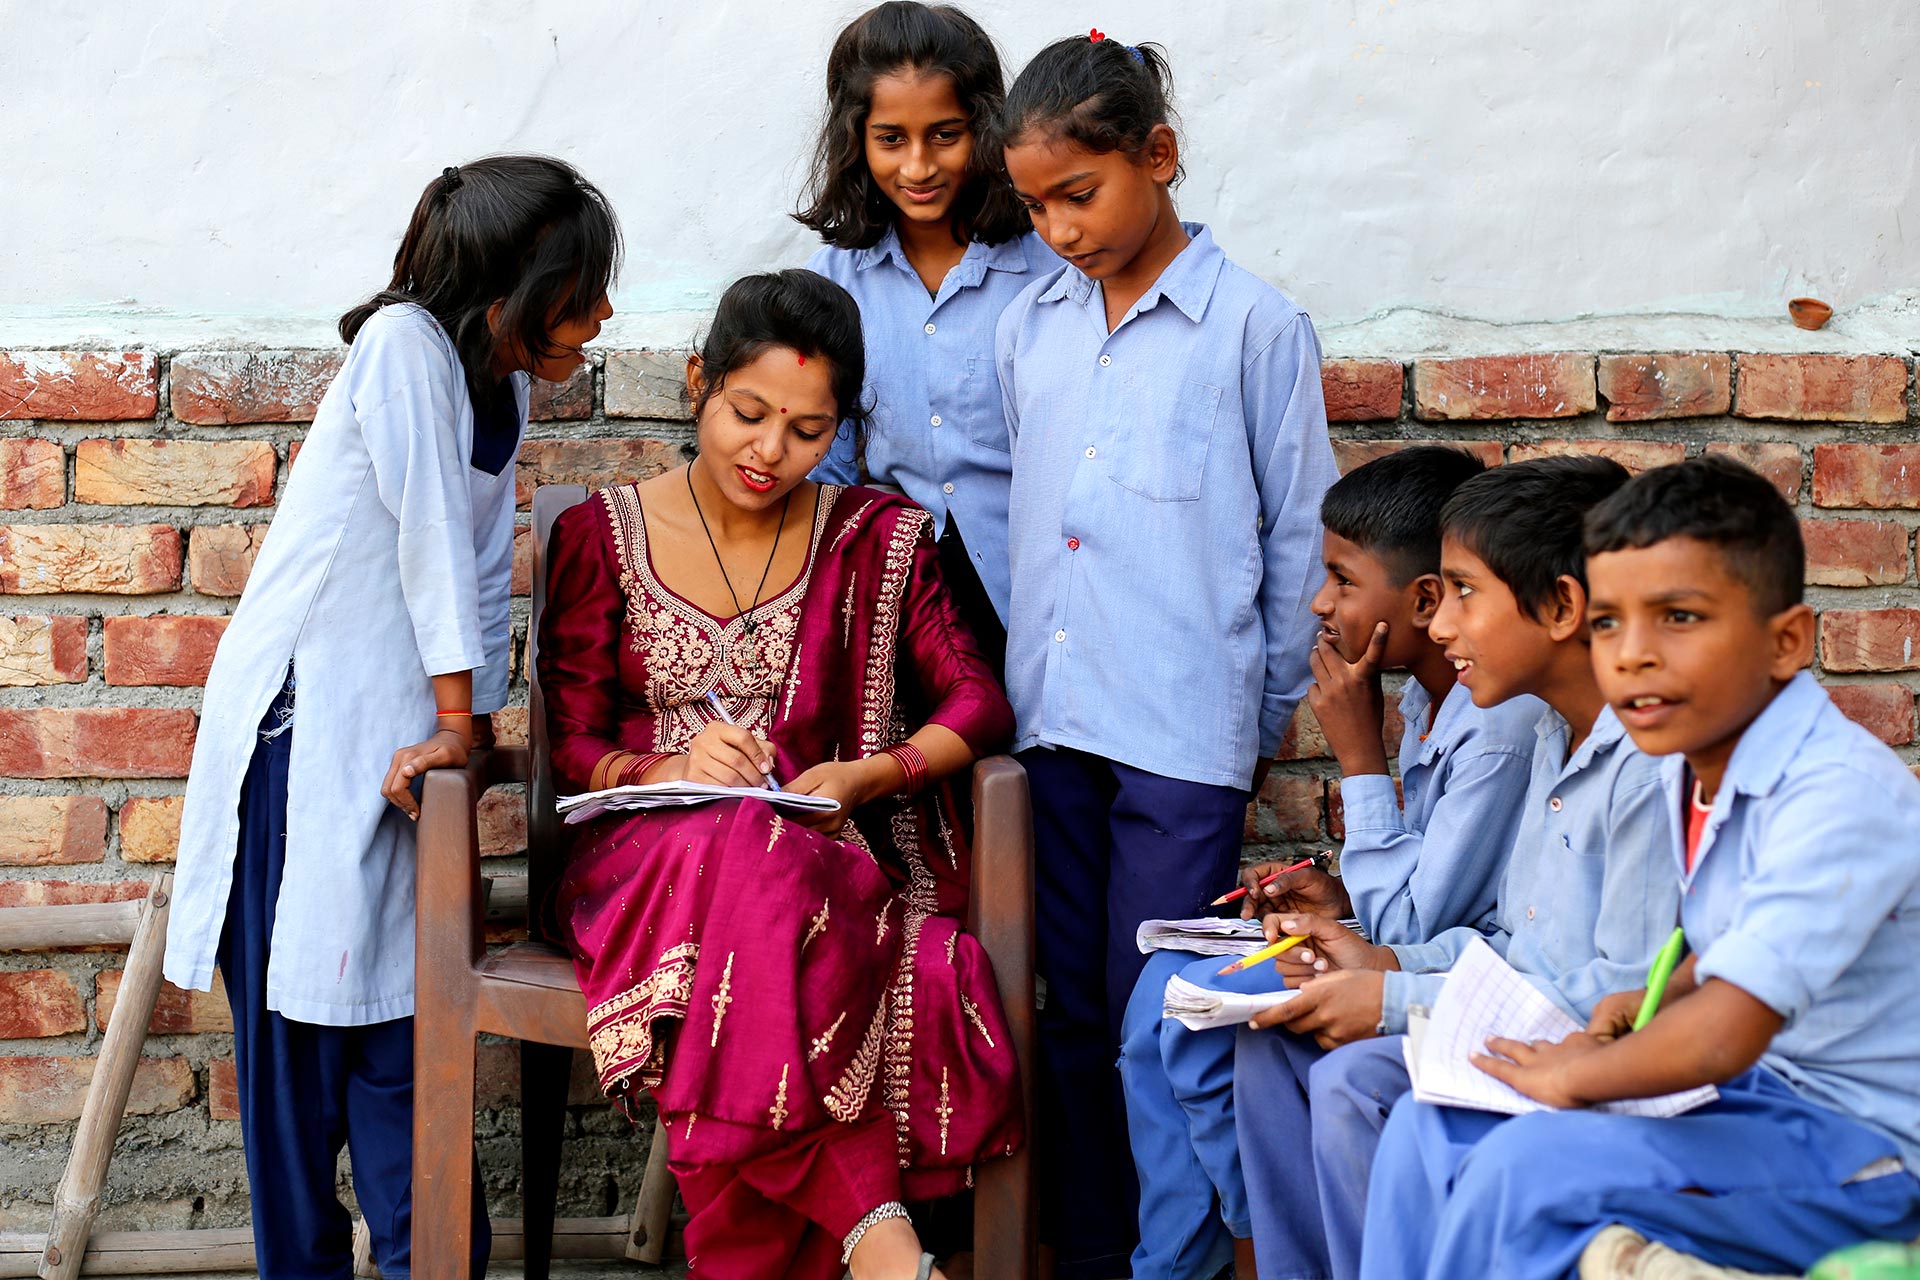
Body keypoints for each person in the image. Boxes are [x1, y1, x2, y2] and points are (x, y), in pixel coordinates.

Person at [162, 156, 620, 1278]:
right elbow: (422, 536)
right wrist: (462, 727)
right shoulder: (403, 346)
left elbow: (470, 572)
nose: (604, 314)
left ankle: (432, 1261)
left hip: (404, 745)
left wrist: (469, 734)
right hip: (303, 735)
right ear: (513, 288)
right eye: (584, 288)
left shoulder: (498, 384)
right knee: (299, 1056)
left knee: (405, 1032)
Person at [537, 269, 1023, 1280]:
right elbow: (573, 741)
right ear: (697, 383)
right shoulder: (601, 534)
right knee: (740, 844)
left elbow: (979, 703)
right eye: (748, 413)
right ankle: (888, 1248)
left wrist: (866, 774)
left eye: (807, 429)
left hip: (821, 857)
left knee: (765, 860)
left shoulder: (876, 538)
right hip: (640, 860)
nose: (770, 452)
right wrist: (673, 760)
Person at [1360, 456, 1920, 1280]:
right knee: (1427, 1127)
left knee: (1526, 1171)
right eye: (1613, 623)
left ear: (1786, 641)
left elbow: (1729, 1033)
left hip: (1859, 1145)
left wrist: (1584, 1072)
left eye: (1680, 618)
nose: (1634, 655)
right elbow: (1742, 940)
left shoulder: (1835, 793)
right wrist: (1664, 991)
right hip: (1748, 1106)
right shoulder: (1698, 766)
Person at [994, 31, 1338, 1277]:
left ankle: (1174, 1255)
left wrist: (1263, 714)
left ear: (1161, 156)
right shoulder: (1030, 326)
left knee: (1163, 1018)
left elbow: (1300, 531)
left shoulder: (1253, 327)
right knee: (1072, 1010)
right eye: (1035, 207)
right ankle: (1096, 1248)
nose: (1059, 230)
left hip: (1187, 730)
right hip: (1054, 716)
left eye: (1078, 195)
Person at [1237, 455, 1676, 1279]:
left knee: (1358, 1086)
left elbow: (1615, 999)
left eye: (1465, 594)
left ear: (1561, 607)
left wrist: (1395, 995)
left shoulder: (1644, 770)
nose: (1442, 627)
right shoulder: (1555, 734)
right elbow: (1511, 938)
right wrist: (1383, 962)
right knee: (1272, 1039)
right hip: (1509, 1020)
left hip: (1590, 1063)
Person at [1118, 446, 1540, 1280]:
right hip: (1412, 942)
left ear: (1421, 600)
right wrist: (1335, 889)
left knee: (1187, 1015)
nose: (1320, 602)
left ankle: (1226, 1254)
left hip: (1448, 965)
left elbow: (1416, 922)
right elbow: (1423, 885)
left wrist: (1357, 756)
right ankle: (1179, 1258)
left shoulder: (1497, 720)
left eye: (1344, 580)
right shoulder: (1429, 694)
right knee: (1153, 995)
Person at [796, 0, 1052, 675]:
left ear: (986, 130)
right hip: (894, 591)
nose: (918, 166)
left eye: (945, 134)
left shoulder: (1052, 270)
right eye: (891, 139)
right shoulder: (831, 286)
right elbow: (824, 462)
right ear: (857, 139)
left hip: (1040, 588)